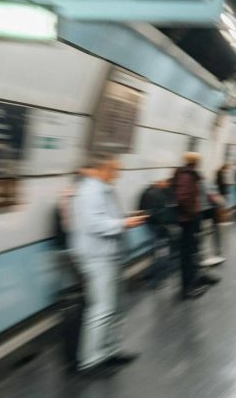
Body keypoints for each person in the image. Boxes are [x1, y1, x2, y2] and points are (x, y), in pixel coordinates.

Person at [68, 155, 146, 375]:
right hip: (97, 257)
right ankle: (90, 360)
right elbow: (94, 224)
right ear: (103, 169)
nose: (117, 174)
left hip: (109, 256)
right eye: (115, 170)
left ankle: (109, 350)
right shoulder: (90, 192)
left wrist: (125, 218)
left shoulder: (102, 189)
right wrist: (124, 223)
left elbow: (104, 217)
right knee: (101, 308)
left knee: (115, 307)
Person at [173, 152, 219, 299]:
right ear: (196, 161)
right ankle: (187, 288)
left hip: (191, 219)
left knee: (194, 251)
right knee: (187, 255)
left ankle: (196, 277)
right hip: (188, 221)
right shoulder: (187, 176)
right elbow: (183, 198)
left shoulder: (191, 174)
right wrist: (192, 213)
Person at [138, 178, 175, 287]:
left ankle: (152, 275)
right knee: (162, 252)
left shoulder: (145, 192)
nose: (166, 185)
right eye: (165, 183)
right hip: (159, 226)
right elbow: (162, 212)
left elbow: (141, 208)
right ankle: (158, 279)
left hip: (149, 224)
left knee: (157, 251)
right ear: (160, 183)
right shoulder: (159, 194)